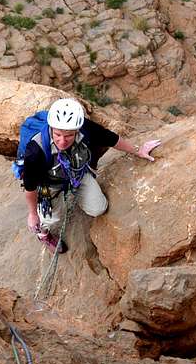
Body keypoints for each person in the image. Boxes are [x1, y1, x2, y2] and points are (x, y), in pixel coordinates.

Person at [23, 98, 161, 252]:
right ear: (51, 127)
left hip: (77, 173)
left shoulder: (85, 128)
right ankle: (43, 234)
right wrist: (32, 214)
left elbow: (111, 138)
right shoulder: (36, 150)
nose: (62, 141)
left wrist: (138, 151)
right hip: (49, 185)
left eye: (68, 135)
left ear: (76, 129)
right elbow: (30, 187)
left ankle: (74, 193)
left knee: (98, 208)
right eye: (57, 134)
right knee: (50, 219)